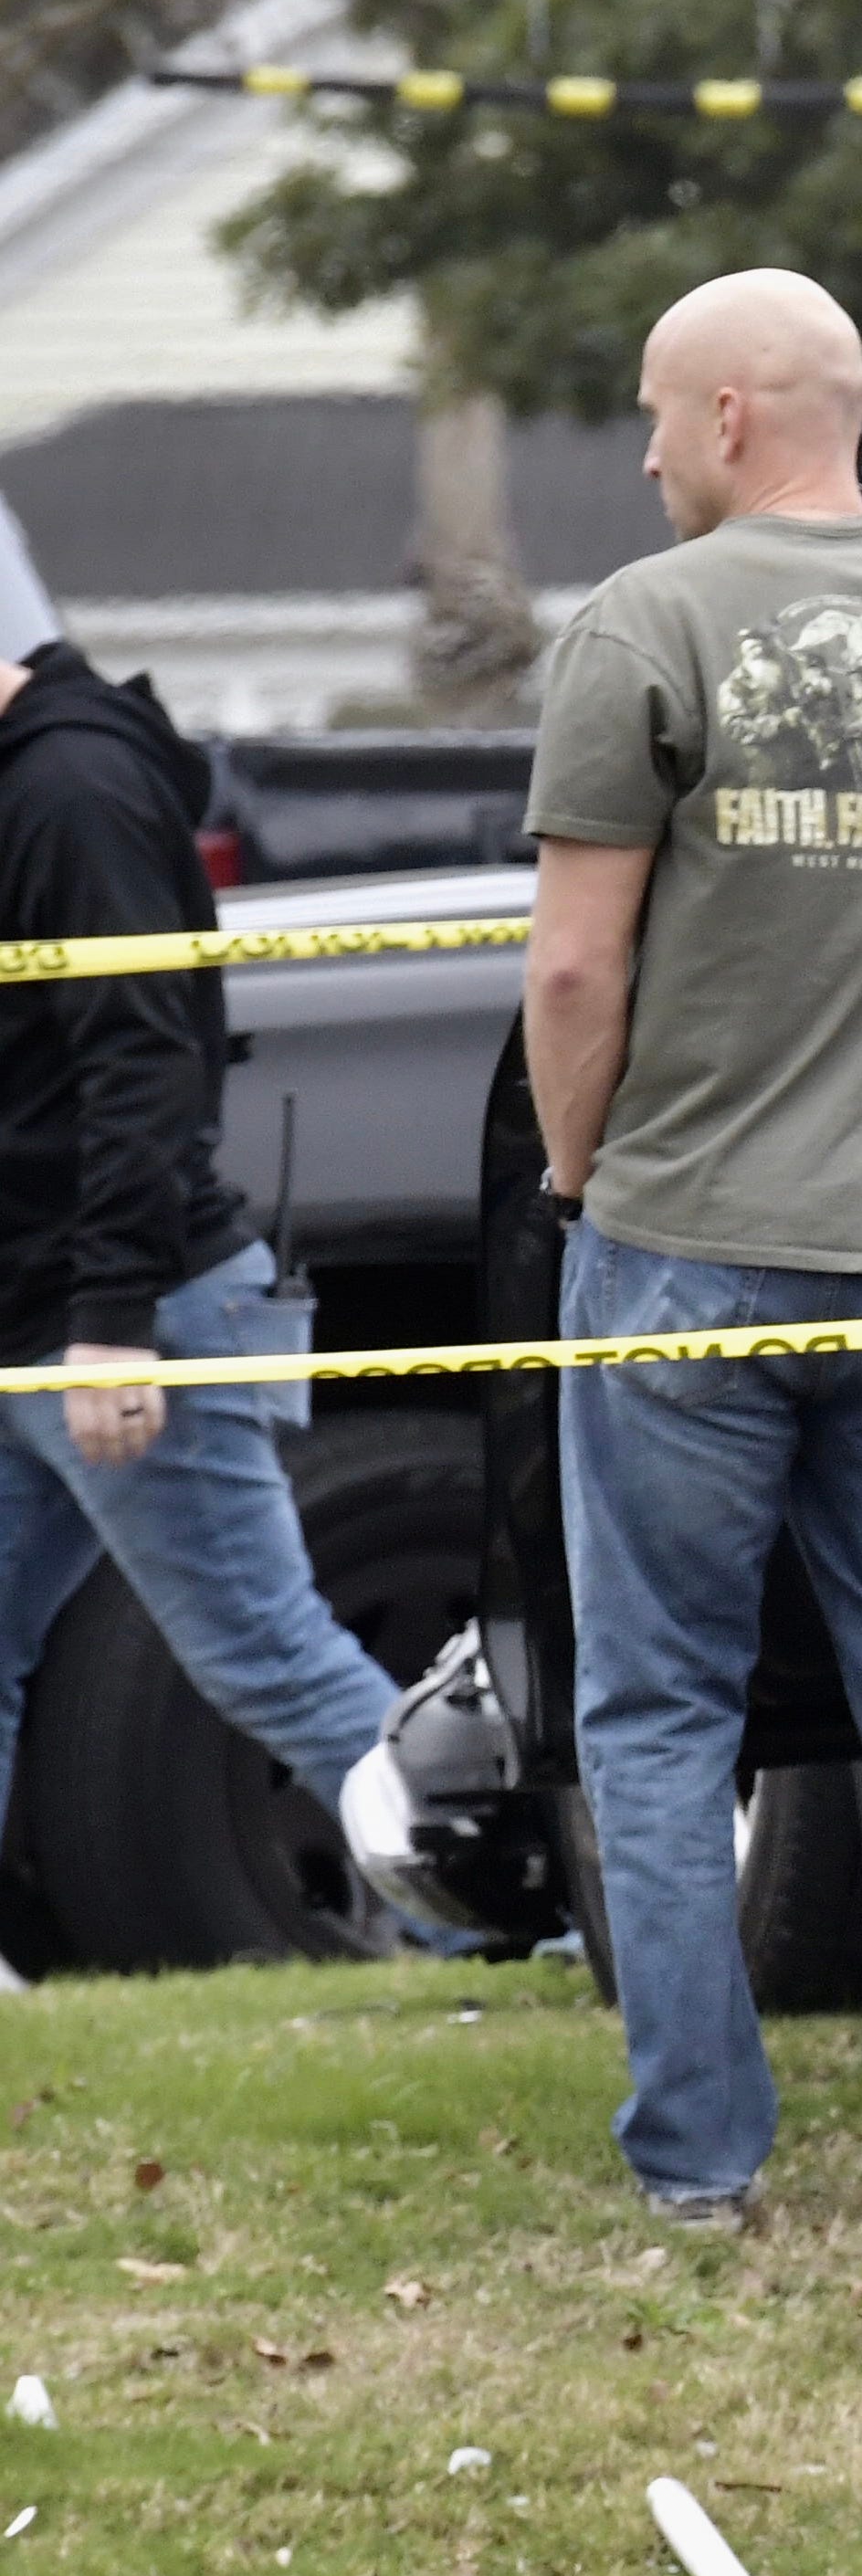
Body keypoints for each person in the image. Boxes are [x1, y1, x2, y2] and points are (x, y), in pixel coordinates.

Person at [524, 268, 862, 2224]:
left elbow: (580, 958)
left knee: (660, 1714)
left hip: (690, 1240)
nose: (652, 448)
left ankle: (698, 2166)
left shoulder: (645, 627)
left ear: (741, 416)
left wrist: (583, 1180)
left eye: (662, 412)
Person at [0, 554, 400, 1919]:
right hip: (42, 1311)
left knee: (264, 1656)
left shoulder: (70, 795)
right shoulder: (40, 783)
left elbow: (145, 1066)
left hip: (134, 1312)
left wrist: (110, 1320)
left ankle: (515, 1916)